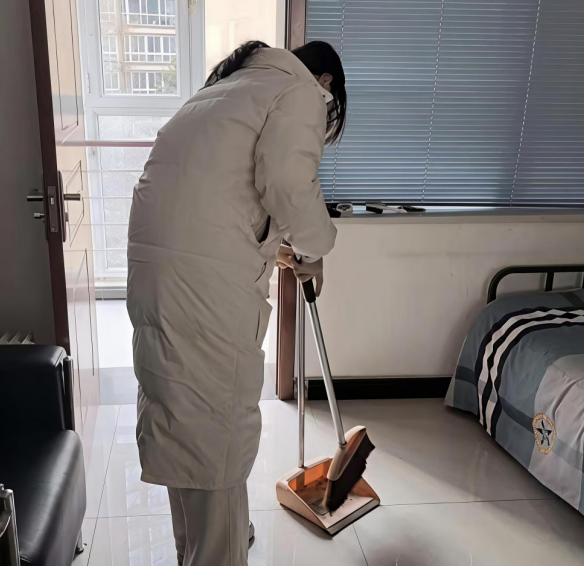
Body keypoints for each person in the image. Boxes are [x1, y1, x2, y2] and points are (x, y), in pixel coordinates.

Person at [126, 40, 347, 566]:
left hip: (160, 277)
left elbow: (216, 196)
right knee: (214, 430)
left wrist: (273, 245)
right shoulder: (299, 92)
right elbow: (289, 186)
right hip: (204, 288)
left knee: (183, 419)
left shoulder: (226, 89)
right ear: (327, 84)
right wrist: (316, 249)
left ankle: (201, 548)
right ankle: (217, 552)